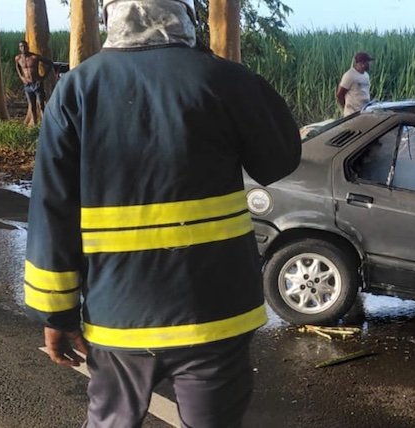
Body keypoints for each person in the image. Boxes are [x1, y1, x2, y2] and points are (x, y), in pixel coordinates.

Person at [24, 0, 302, 426]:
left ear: (108, 16)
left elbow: (51, 210)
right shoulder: (223, 79)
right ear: (186, 14)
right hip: (217, 313)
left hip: (118, 315)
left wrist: (56, 314)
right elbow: (280, 160)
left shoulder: (77, 89)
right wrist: (221, 74)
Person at [14, 40, 54, 126]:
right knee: (31, 105)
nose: (23, 48)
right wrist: (22, 77)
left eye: (25, 46)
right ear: (19, 48)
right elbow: (17, 67)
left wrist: (43, 77)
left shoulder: (34, 57)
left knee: (41, 104)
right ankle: (35, 124)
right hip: (27, 85)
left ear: (28, 47)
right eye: (21, 46)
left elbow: (50, 63)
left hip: (37, 83)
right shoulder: (18, 58)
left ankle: (44, 124)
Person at [336, 51, 373, 116]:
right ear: (362, 63)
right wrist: (346, 107)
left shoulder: (366, 75)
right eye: (368, 62)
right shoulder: (349, 75)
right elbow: (340, 94)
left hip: (364, 111)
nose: (370, 64)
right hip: (352, 113)